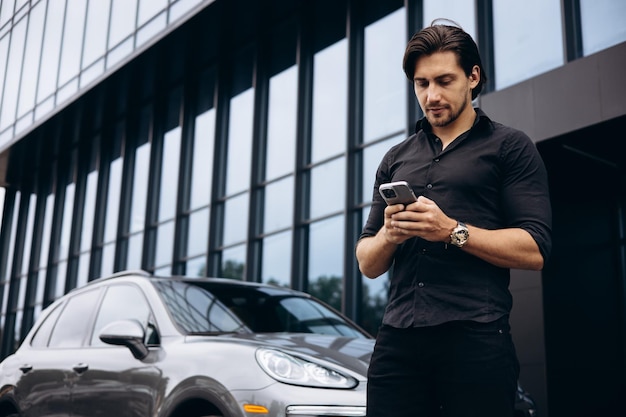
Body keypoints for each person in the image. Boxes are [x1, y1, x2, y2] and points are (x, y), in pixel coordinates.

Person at [356, 19, 552, 417]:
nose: (431, 95)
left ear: (473, 77)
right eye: (421, 84)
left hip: (476, 336)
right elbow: (367, 262)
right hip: (397, 340)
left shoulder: (510, 147)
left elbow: (535, 249)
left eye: (444, 81)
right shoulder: (395, 158)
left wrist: (451, 231)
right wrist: (390, 235)